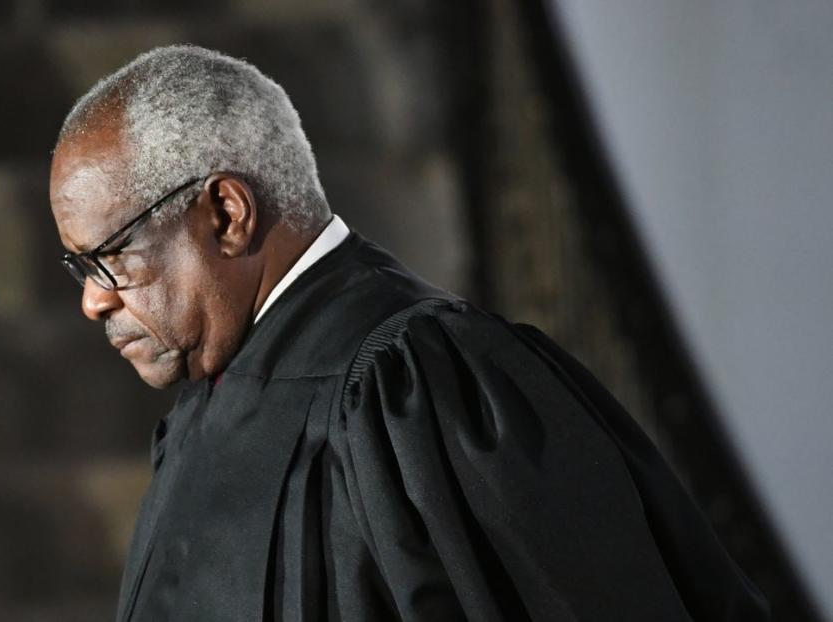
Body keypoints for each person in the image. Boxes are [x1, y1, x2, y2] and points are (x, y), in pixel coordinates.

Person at [49, 45, 768, 622]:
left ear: (227, 214)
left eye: (108, 259)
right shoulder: (209, 410)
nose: (91, 302)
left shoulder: (421, 388)